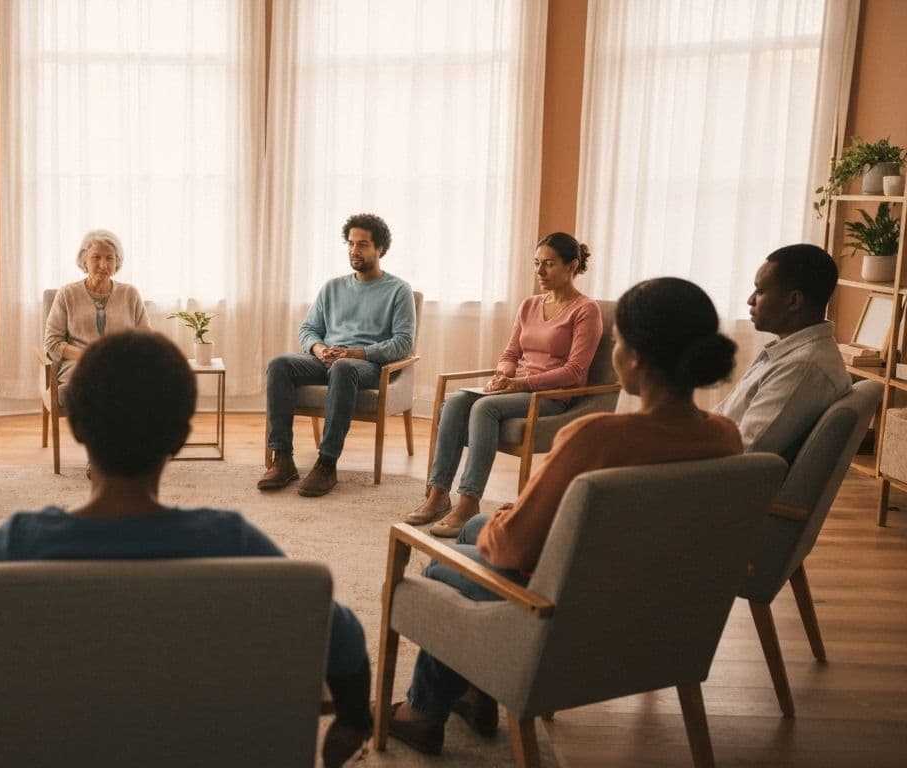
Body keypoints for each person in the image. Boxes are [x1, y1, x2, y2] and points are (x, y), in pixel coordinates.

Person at [0, 329, 374, 767]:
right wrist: (353, 719)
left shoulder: (19, 544)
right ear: (182, 437)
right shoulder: (230, 541)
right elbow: (344, 640)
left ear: (76, 428)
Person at [386, 277, 744, 755]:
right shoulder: (724, 437)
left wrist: (505, 520)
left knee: (443, 564)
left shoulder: (596, 438)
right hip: (660, 610)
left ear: (632, 357)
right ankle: (473, 692)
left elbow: (513, 546)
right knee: (473, 527)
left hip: (570, 613)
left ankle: (421, 713)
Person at [406, 233, 603, 536]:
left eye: (548, 265)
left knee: (484, 408)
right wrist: (503, 375)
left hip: (551, 395)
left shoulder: (585, 310)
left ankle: (469, 501)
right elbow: (511, 353)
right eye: (537, 264)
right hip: (517, 387)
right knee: (456, 401)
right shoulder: (528, 305)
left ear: (571, 266)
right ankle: (438, 495)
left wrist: (521, 384)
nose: (539, 273)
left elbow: (575, 371)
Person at [258, 213, 416, 497]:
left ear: (380, 248)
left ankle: (326, 463)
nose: (355, 251)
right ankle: (282, 458)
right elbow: (308, 329)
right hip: (326, 359)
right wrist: (319, 349)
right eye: (351, 244)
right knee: (279, 365)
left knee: (344, 367)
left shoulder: (398, 291)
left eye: (363, 244)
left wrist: (355, 353)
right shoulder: (332, 287)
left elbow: (403, 343)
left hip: (365, 365)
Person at [714, 244, 852, 459]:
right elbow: (728, 418)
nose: (750, 300)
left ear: (793, 301)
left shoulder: (803, 367)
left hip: (717, 482)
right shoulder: (791, 353)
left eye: (760, 291)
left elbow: (747, 450)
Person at [44, 229, 150, 388]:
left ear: (117, 262)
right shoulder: (67, 294)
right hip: (78, 365)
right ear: (84, 260)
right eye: (96, 257)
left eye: (109, 258)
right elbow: (52, 343)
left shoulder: (130, 294)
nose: (103, 264)